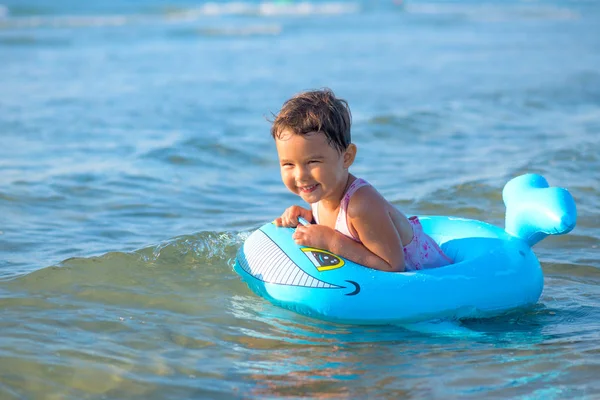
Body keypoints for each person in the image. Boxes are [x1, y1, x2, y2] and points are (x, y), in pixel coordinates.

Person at [271, 88, 452, 272]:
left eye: (313, 161)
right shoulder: (322, 193)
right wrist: (308, 218)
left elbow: (393, 266)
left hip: (431, 274)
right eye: (288, 164)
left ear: (347, 157)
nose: (300, 175)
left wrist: (331, 242)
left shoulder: (361, 205)